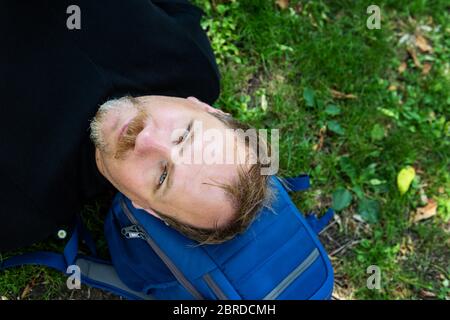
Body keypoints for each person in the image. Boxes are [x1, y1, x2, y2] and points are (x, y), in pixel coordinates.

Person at [0, 0, 271, 251]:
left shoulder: (20, 211)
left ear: (145, 208)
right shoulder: (194, 65)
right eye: (184, 135)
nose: (147, 139)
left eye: (162, 176)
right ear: (205, 107)